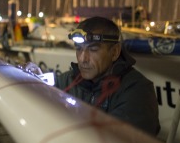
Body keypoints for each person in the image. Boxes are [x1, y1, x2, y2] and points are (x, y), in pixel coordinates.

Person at [26, 16, 160, 136]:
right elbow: (39, 94)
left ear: (114, 52)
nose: (83, 58)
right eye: (79, 49)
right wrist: (32, 79)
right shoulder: (71, 79)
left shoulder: (138, 91)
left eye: (93, 49)